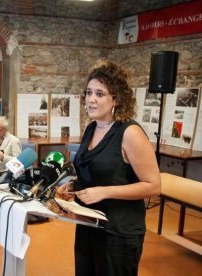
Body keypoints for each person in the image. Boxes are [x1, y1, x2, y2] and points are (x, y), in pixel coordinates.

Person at [56, 60, 160, 276]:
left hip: (118, 233)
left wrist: (105, 191)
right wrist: (74, 184)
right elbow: (93, 172)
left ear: (116, 99)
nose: (91, 100)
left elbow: (153, 186)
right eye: (89, 93)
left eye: (100, 94)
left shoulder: (130, 133)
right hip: (88, 225)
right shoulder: (91, 128)